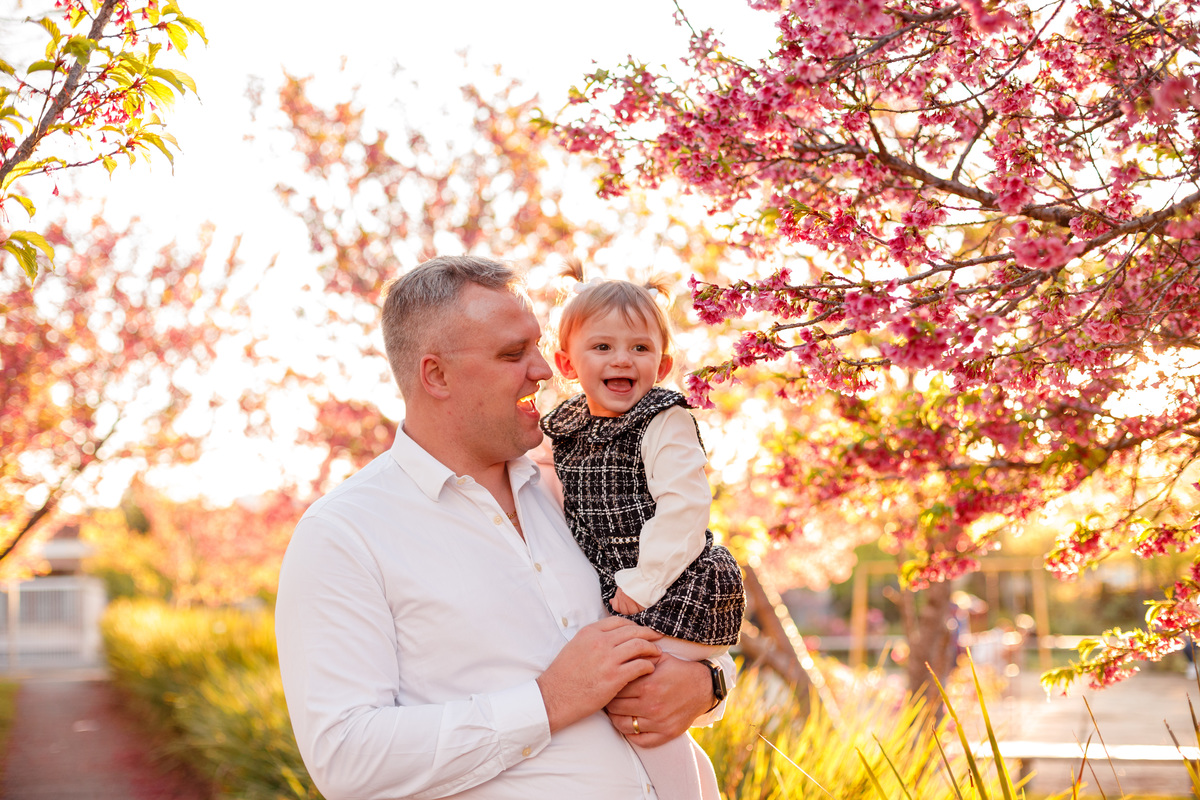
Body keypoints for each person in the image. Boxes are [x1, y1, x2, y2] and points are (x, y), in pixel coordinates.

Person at [274, 255, 735, 800]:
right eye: (514, 354)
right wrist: (548, 701)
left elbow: (681, 616)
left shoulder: (578, 485)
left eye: (538, 347)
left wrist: (708, 684)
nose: (544, 370)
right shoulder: (345, 533)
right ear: (436, 375)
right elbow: (346, 759)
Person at [539, 276, 746, 800]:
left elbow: (684, 507)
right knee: (644, 706)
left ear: (663, 365)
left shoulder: (663, 419)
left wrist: (643, 584)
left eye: (640, 348)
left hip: (675, 586)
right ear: (567, 365)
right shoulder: (564, 427)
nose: (622, 360)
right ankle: (698, 785)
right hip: (627, 590)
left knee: (638, 698)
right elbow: (539, 469)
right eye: (602, 347)